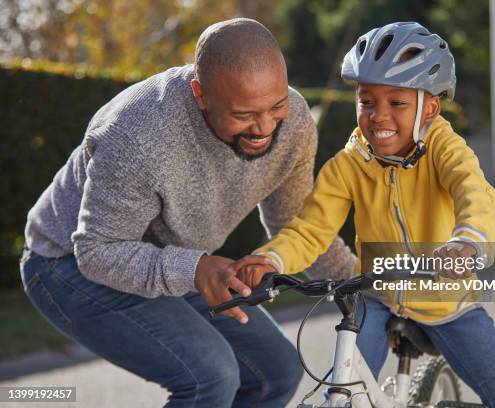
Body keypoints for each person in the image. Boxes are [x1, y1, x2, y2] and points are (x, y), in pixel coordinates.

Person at [19, 18, 355, 408]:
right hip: (65, 265)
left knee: (276, 370)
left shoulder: (294, 122)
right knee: (210, 377)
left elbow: (298, 223)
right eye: (244, 114)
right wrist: (194, 268)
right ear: (200, 94)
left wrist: (360, 282)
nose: (264, 127)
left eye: (275, 105)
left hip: (175, 257)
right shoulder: (138, 134)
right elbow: (97, 252)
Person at [231, 22, 495, 407]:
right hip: (377, 296)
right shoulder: (349, 163)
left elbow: (474, 193)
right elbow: (310, 228)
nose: (378, 116)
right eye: (367, 102)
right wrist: (270, 258)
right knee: (341, 391)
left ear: (429, 107)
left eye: (396, 103)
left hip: (445, 300)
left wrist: (468, 241)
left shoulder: (446, 149)